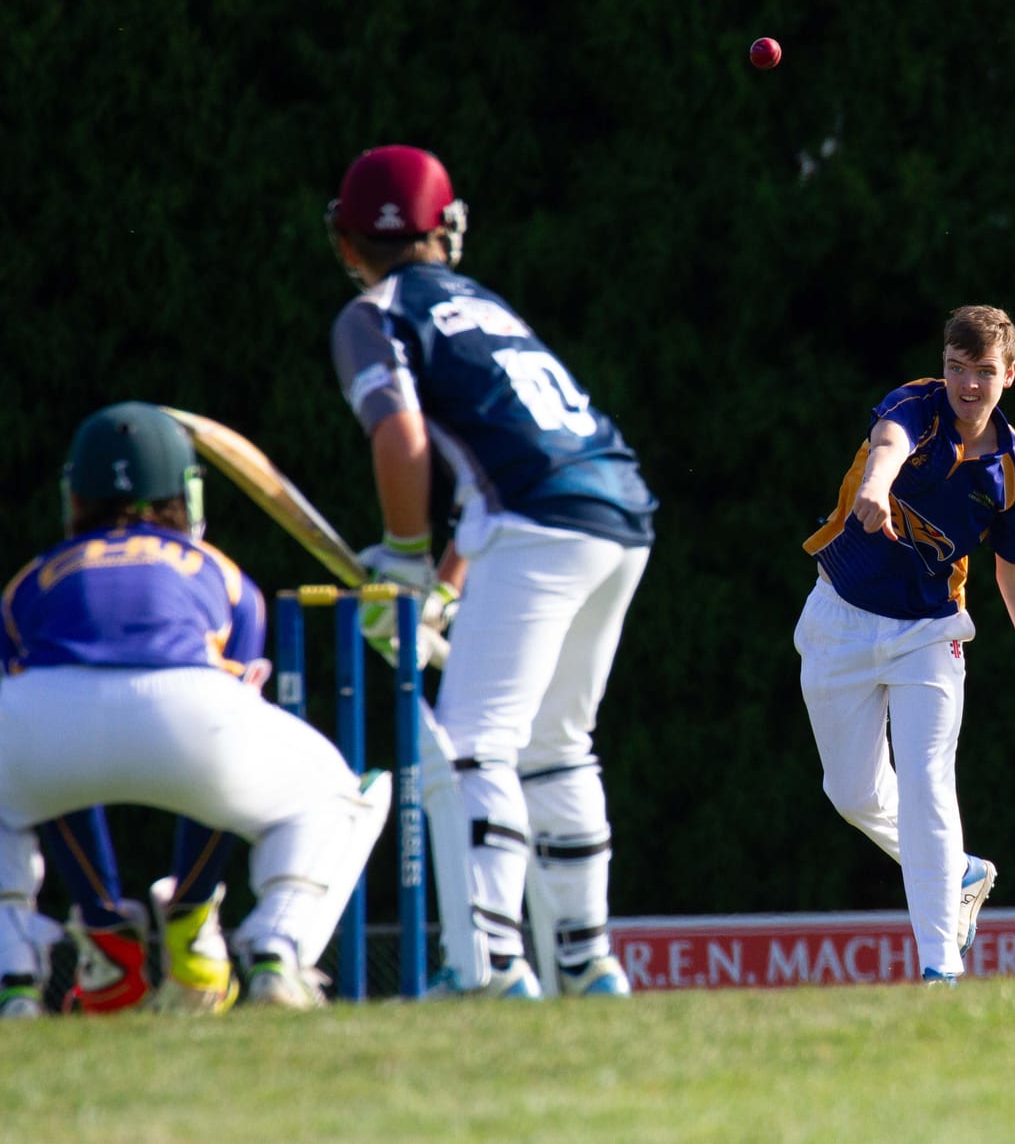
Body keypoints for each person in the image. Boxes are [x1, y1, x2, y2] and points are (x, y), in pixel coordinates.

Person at [323, 145, 655, 999]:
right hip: (618, 511)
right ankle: (588, 964)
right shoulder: (488, 306)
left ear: (346, 237)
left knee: (473, 744)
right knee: (555, 743)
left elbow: (404, 442)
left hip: (538, 521)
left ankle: (491, 968)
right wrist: (441, 586)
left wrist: (399, 559)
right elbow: (498, 467)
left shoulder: (374, 313)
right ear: (448, 228)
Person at [0, 402, 389, 1014]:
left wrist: (100, 909)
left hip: (39, 713)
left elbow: (45, 748)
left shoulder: (33, 578)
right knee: (343, 794)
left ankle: (18, 979)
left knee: (10, 790)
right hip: (191, 705)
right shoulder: (223, 573)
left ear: (74, 495)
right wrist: (190, 899)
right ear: (187, 495)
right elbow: (223, 749)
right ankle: (273, 953)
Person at [797, 305, 1015, 986]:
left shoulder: (1013, 469)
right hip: (840, 615)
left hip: (929, 633)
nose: (967, 384)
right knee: (850, 792)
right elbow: (886, 447)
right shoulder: (916, 406)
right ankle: (955, 869)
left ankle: (940, 970)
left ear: (1009, 375)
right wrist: (874, 486)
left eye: (984, 371)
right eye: (957, 367)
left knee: (929, 781)